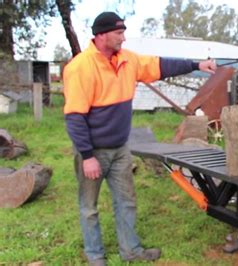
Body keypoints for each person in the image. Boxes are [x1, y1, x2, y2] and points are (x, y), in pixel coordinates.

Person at [62, 11, 216, 266]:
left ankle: (131, 251)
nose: (123, 38)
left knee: (126, 200)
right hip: (93, 152)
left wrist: (196, 65)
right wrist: (87, 157)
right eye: (118, 33)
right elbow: (75, 117)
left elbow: (161, 65)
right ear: (101, 35)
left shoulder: (127, 60)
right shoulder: (80, 68)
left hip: (121, 148)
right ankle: (95, 256)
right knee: (89, 207)